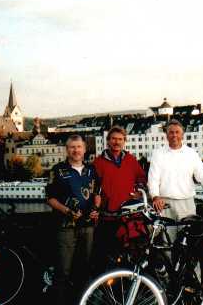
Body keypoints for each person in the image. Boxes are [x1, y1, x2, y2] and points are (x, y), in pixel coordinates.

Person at [148, 119, 203, 240]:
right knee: (168, 242)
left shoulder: (191, 153)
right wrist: (155, 196)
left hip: (187, 204)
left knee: (188, 241)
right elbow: (153, 178)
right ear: (166, 134)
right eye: (171, 132)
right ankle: (170, 260)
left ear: (182, 134)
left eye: (177, 132)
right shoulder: (158, 154)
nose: (174, 135)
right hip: (165, 204)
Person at [46, 134, 101, 305]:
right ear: (67, 149)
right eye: (72, 147)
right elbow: (50, 198)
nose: (76, 150)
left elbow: (97, 194)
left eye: (79, 147)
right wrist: (67, 211)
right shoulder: (57, 170)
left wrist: (96, 209)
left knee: (85, 269)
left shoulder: (91, 170)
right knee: (63, 271)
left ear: (84, 149)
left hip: (88, 226)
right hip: (65, 226)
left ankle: (83, 301)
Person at [92, 126, 147, 270]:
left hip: (128, 217)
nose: (117, 142)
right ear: (108, 141)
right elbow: (93, 188)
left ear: (124, 141)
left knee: (130, 255)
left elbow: (141, 178)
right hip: (107, 218)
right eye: (114, 139)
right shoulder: (98, 162)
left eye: (120, 139)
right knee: (108, 256)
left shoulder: (130, 159)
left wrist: (139, 192)